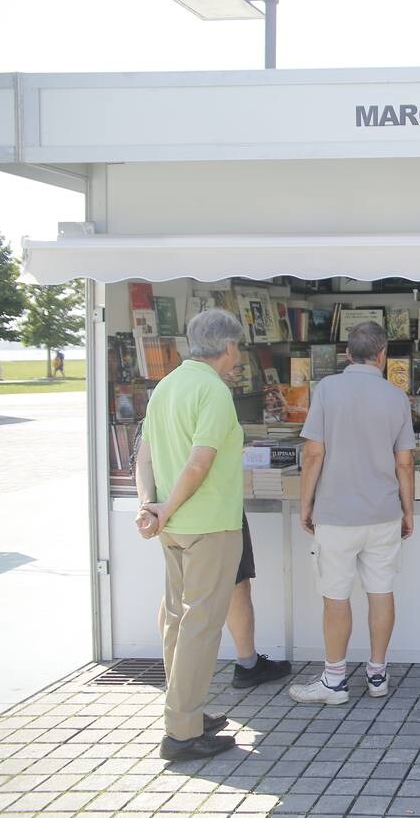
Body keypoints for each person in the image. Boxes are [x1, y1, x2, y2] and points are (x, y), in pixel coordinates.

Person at [133, 309, 246, 762]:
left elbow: (143, 454)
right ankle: (181, 731)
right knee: (200, 628)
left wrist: (151, 506)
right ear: (228, 347)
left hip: (173, 527)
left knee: (179, 623)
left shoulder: (168, 385)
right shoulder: (214, 391)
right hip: (209, 525)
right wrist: (167, 506)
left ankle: (187, 714)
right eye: (238, 348)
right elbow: (199, 463)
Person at [290, 321, 415, 705]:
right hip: (382, 513)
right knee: (381, 592)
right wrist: (408, 511)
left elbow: (313, 453)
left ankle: (334, 681)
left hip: (336, 513)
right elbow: (405, 462)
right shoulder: (396, 397)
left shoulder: (326, 390)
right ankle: (377, 674)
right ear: (382, 355)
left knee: (336, 596)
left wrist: (306, 502)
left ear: (347, 354)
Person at [134, 424, 293, 692]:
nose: (230, 377)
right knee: (234, 581)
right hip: (212, 511)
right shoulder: (208, 396)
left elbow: (142, 461)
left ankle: (175, 673)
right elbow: (199, 464)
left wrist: (150, 508)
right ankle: (245, 664)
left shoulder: (161, 400)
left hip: (171, 513)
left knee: (179, 590)